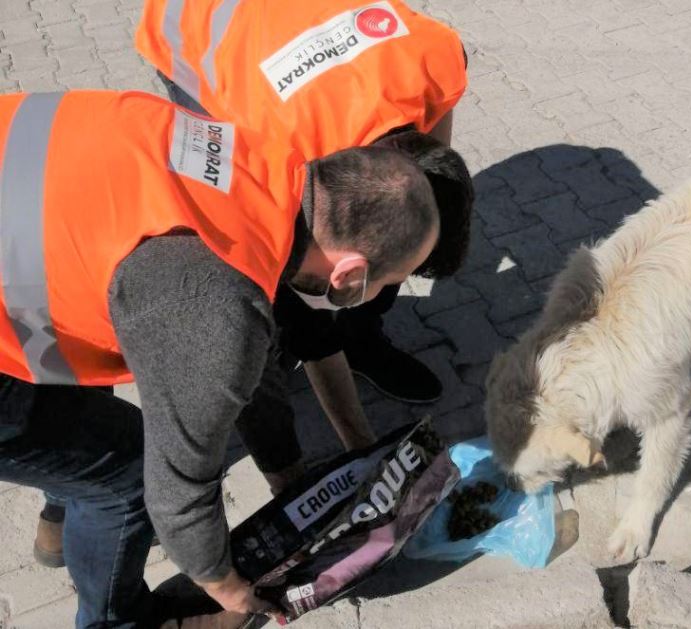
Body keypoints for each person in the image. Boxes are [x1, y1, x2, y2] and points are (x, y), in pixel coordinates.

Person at [0, 89, 443, 628]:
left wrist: (286, 471)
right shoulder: (210, 307)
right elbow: (178, 489)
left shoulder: (260, 164)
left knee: (77, 396)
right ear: (347, 274)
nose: (379, 295)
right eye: (387, 283)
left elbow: (247, 365)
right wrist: (222, 582)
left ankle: (59, 514)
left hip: (31, 218)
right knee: (125, 474)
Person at [134, 0, 469, 405]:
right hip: (194, 28)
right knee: (276, 252)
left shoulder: (432, 58)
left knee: (381, 244)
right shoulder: (277, 148)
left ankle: (359, 340)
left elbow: (431, 152)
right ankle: (279, 334)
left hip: (285, 40)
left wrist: (416, 227)